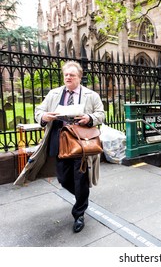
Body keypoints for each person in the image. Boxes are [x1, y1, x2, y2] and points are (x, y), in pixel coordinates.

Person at [14, 61, 105, 233]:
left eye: (72, 75)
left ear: (79, 77)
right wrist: (44, 116)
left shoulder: (91, 95)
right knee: (63, 179)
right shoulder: (54, 94)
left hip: (80, 142)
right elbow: (39, 111)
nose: (68, 77)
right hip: (59, 140)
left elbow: (101, 114)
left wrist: (89, 118)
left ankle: (79, 214)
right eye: (66, 75)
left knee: (80, 177)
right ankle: (82, 196)